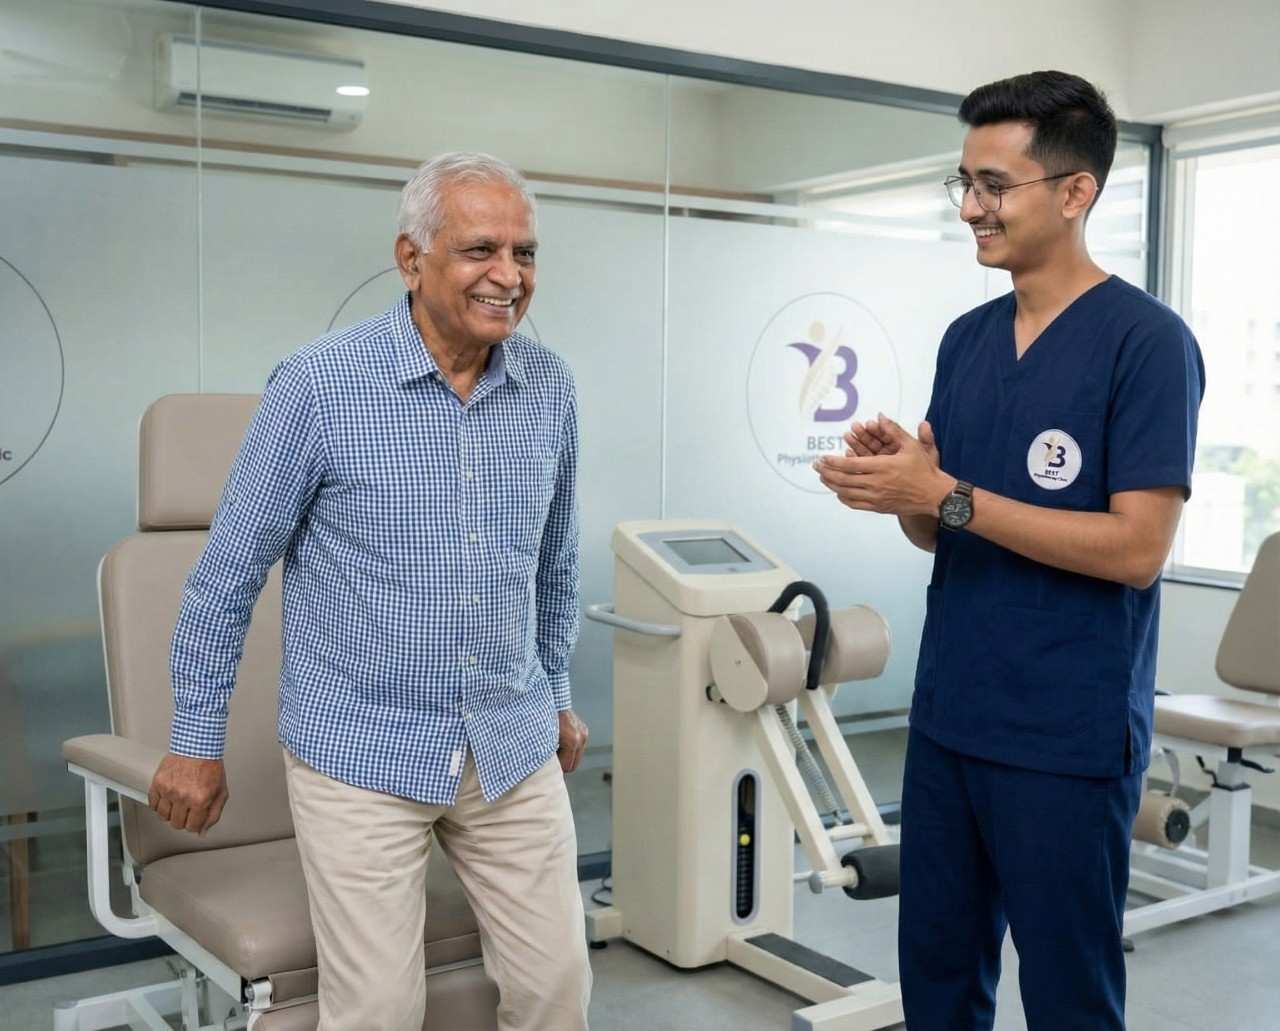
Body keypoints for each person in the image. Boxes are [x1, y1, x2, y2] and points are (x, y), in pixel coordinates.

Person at [147, 151, 592, 1031]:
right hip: (362, 751)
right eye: (481, 250)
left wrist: (558, 692)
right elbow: (228, 572)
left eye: (525, 252)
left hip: (507, 741)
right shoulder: (319, 385)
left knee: (557, 990)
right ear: (410, 259)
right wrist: (195, 740)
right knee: (378, 1011)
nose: (509, 275)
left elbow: (554, 564)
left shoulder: (551, 388)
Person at [815, 71, 1205, 1030]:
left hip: (1065, 735)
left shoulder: (1147, 344)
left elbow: (1138, 549)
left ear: (1075, 192)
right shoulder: (968, 339)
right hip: (951, 719)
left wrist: (944, 493)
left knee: (1068, 996)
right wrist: (907, 485)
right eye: (964, 183)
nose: (970, 209)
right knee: (938, 981)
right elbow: (939, 527)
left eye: (994, 185)